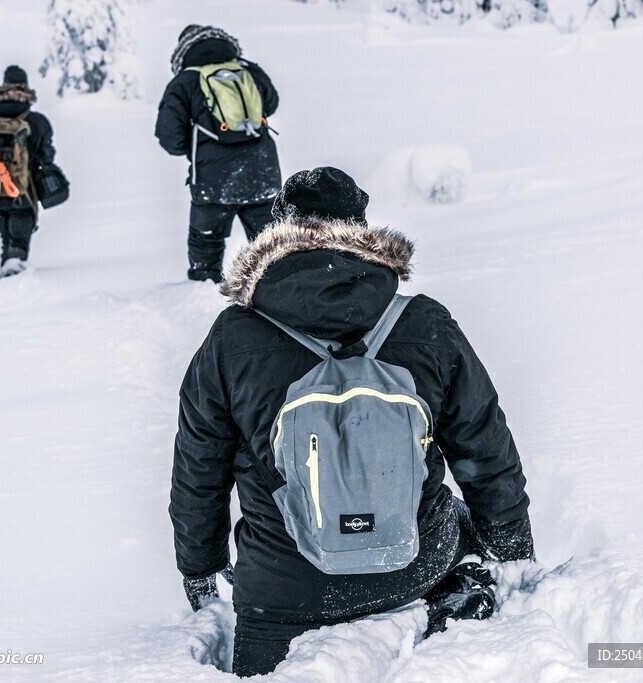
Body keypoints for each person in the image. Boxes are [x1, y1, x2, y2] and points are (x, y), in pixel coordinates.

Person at [170, 167, 535, 677]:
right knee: (452, 510)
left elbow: (198, 468)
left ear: (279, 233)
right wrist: (512, 544)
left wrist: (199, 566)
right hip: (414, 565)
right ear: (361, 231)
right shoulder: (423, 320)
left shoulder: (232, 338)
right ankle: (453, 598)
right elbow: (483, 443)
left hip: (282, 592)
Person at [155, 25, 282, 284]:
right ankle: (282, 297)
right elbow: (271, 104)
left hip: (213, 181)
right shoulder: (248, 69)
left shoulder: (184, 82)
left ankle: (204, 298)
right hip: (262, 172)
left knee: (206, 245)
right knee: (274, 248)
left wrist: (199, 148)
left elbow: (169, 137)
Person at [0, 65, 56, 277]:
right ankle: (14, 277)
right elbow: (47, 156)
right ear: (26, 87)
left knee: (6, 240)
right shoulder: (37, 121)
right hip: (25, 192)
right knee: (19, 241)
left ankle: (5, 276)